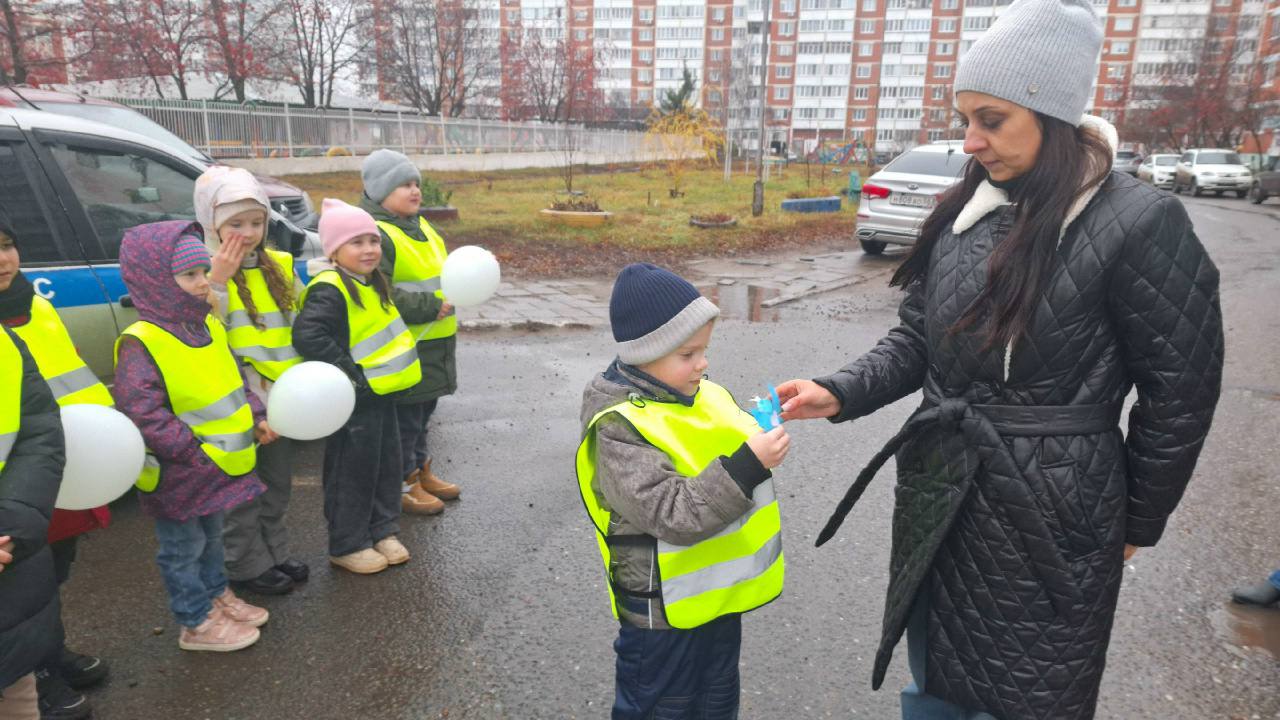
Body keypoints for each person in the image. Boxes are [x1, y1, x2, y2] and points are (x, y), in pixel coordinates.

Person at [777, 1, 1223, 717]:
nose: (971, 140)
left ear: (1049, 114)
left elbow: (1182, 391)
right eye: (965, 119)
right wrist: (839, 391)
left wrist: (1136, 519)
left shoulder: (1139, 221)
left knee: (1026, 693)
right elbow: (920, 336)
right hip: (943, 489)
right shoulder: (966, 209)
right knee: (934, 682)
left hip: (1052, 512)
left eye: (992, 119)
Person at [576, 263, 791, 719]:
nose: (703, 364)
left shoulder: (699, 393)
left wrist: (764, 433)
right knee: (660, 708)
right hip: (661, 617)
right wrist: (750, 464)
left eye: (704, 351)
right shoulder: (620, 425)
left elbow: (727, 441)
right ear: (645, 355)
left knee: (715, 701)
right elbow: (670, 513)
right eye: (688, 355)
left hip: (715, 598)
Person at [112, 222, 274, 652]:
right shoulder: (142, 341)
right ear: (155, 283)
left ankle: (216, 594)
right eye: (189, 276)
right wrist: (189, 451)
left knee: (213, 537)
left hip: (215, 464)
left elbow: (233, 379)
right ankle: (195, 620)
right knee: (182, 548)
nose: (204, 283)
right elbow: (143, 410)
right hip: (179, 471)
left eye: (204, 272)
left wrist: (256, 414)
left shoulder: (208, 327)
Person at [0, 221, 108, 718]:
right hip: (16, 484)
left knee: (53, 571)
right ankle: (33, 670)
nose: (3, 259)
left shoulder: (35, 303)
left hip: (60, 462)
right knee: (21, 581)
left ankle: (50, 650)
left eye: (7, 245)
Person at [293, 199, 422, 574]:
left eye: (373, 240)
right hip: (355, 401)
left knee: (386, 466)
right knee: (352, 473)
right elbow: (309, 335)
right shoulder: (330, 287)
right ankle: (348, 542)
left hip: (381, 397)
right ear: (334, 250)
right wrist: (352, 377)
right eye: (357, 242)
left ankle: (382, 530)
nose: (369, 249)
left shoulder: (370, 282)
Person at [197, 167, 310, 596]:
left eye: (257, 222)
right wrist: (219, 281)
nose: (248, 233)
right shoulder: (203, 271)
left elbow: (299, 320)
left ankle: (274, 551)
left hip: (285, 397)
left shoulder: (279, 264)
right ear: (212, 225)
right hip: (239, 398)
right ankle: (244, 564)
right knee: (241, 488)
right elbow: (200, 331)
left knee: (277, 483)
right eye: (235, 224)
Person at [360, 149, 460, 515]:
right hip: (408, 343)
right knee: (405, 421)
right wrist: (430, 306)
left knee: (422, 417)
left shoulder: (421, 226)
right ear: (379, 192)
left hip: (436, 342)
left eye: (416, 183)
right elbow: (379, 289)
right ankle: (403, 483)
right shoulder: (379, 234)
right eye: (404, 185)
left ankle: (421, 471)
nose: (415, 190)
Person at [0, 261, 65, 720]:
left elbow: (37, 432)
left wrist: (12, 523)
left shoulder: (7, 344)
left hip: (8, 548)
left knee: (18, 694)